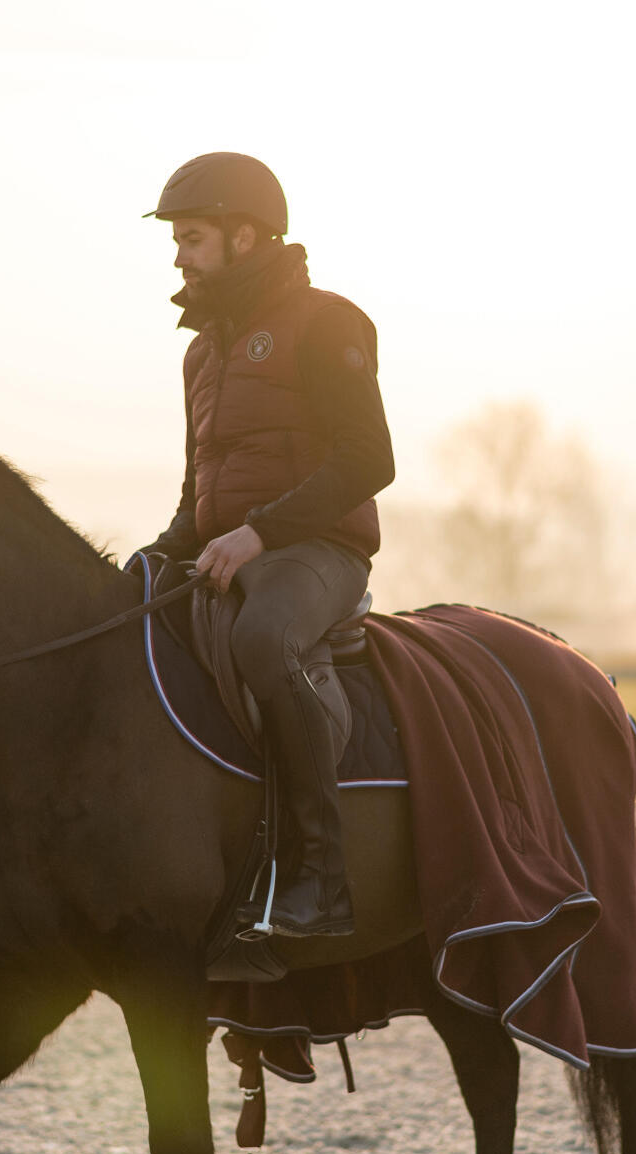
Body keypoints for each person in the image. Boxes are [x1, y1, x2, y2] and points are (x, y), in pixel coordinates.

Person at [141, 152, 394, 937]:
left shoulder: (328, 322)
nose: (178, 256)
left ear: (243, 237)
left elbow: (369, 461)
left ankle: (322, 877)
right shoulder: (201, 351)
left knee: (265, 637)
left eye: (191, 238)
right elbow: (201, 487)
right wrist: (153, 559)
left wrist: (260, 533)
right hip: (232, 550)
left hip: (318, 553)